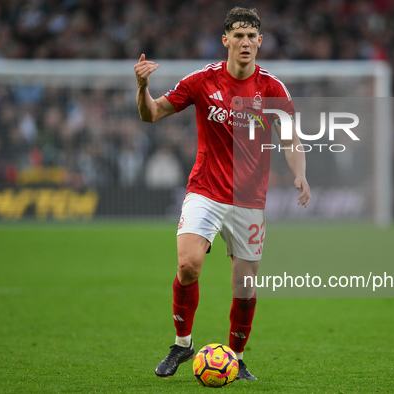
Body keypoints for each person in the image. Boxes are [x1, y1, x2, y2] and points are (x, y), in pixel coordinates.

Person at [134, 6, 311, 381]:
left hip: (249, 201)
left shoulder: (273, 89)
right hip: (205, 191)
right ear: (225, 40)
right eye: (238, 35)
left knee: (244, 287)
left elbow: (291, 138)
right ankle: (182, 345)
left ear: (260, 42)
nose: (245, 42)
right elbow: (151, 114)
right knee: (188, 265)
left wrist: (300, 175)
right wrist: (142, 87)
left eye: (252, 36)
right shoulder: (202, 81)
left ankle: (238, 356)